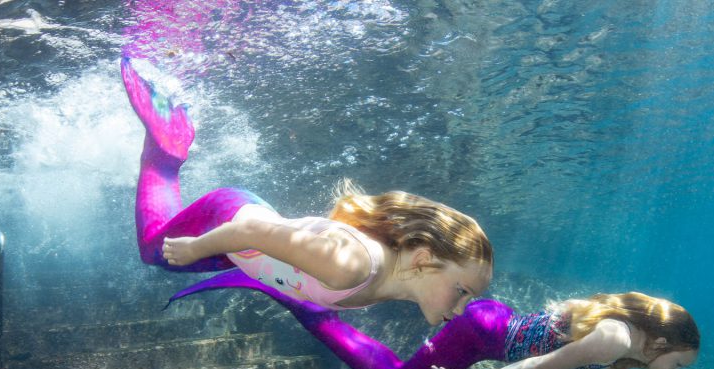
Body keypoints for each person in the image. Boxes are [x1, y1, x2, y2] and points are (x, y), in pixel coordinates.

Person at [121, 57, 493, 325]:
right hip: (233, 220)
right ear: (423, 259)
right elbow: (252, 232)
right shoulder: (351, 265)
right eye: (462, 291)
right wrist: (197, 247)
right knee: (157, 252)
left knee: (176, 259)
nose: (461, 308)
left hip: (246, 247)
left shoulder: (390, 280)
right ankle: (165, 154)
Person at [180, 268, 700, 369]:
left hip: (492, 324)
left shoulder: (623, 339)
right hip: (479, 335)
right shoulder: (613, 337)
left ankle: (311, 298)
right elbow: (540, 368)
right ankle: (296, 298)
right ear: (662, 343)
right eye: (678, 365)